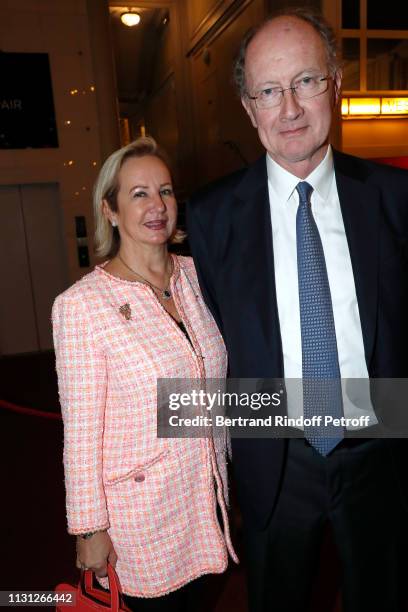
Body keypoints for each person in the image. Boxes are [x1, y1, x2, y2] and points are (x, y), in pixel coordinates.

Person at [187, 7, 408, 612]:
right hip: (272, 462)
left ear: (335, 83)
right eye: (269, 90)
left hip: (380, 454)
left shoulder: (395, 199)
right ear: (247, 106)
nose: (289, 109)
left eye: (306, 81)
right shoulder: (209, 219)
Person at [52, 136, 237, 612]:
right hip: (142, 520)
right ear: (109, 210)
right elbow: (81, 435)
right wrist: (89, 529)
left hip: (207, 501)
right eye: (139, 194)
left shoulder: (197, 278)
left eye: (167, 191)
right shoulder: (82, 307)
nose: (157, 206)